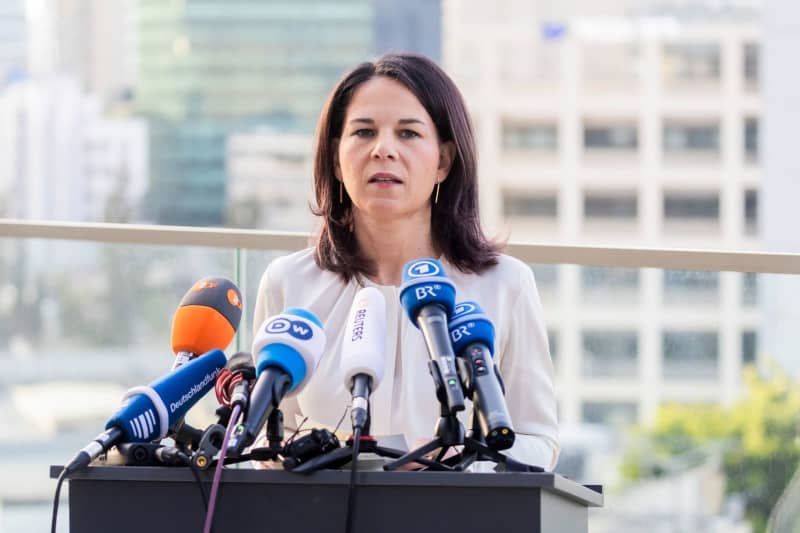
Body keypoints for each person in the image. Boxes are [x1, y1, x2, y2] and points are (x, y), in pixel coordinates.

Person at [252, 52, 559, 470]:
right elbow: (266, 444)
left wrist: (458, 459)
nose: (383, 150)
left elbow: (538, 442)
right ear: (336, 160)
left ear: (444, 161)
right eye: (363, 132)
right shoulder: (288, 282)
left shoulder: (505, 283)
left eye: (408, 134)